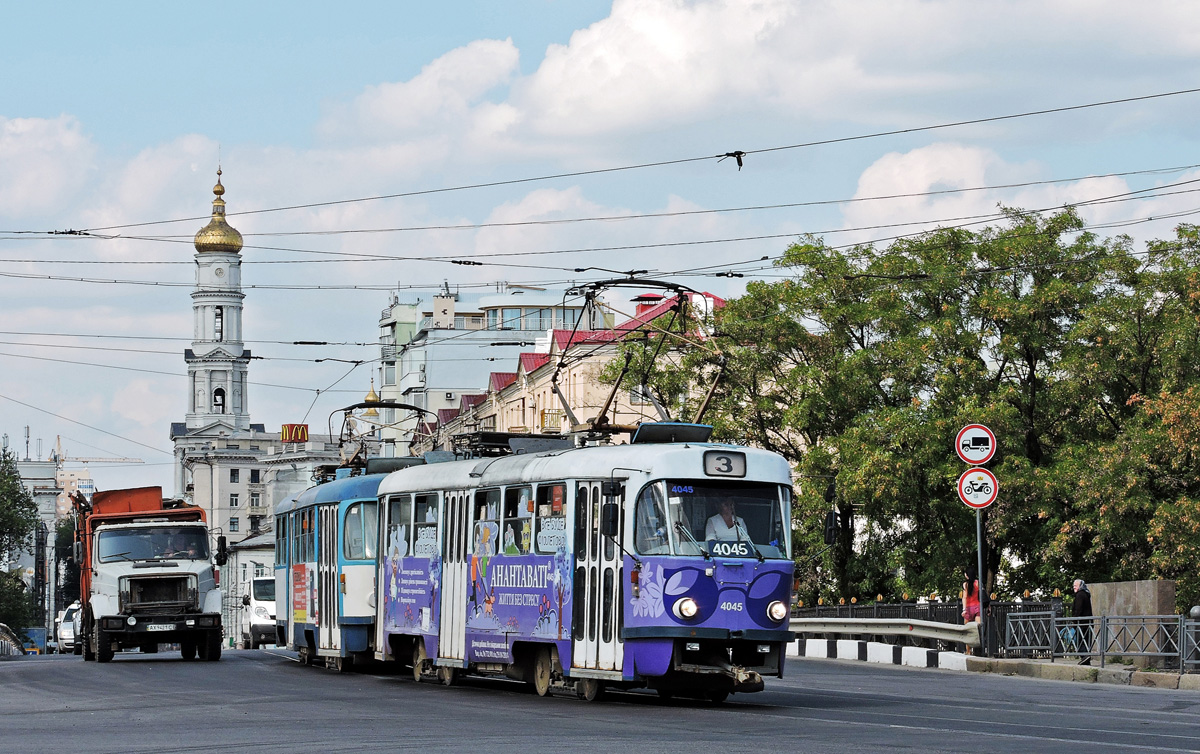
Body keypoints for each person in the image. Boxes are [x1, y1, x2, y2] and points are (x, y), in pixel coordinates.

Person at [1072, 578, 1094, 665]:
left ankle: (1085, 656)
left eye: (1076, 586)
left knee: (1079, 641)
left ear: (1080, 586)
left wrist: (1074, 620)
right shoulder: (1086, 594)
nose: (1074, 587)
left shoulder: (1080, 595)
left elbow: (1078, 609)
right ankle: (1086, 660)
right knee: (1086, 641)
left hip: (1081, 623)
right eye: (1073, 586)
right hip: (1088, 622)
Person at [961, 565, 981, 656]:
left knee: (967, 631)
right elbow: (981, 595)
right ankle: (978, 650)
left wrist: (964, 610)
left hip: (969, 609)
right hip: (977, 608)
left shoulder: (965, 585)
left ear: (967, 575)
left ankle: (968, 651)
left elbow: (964, 597)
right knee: (977, 629)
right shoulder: (978, 583)